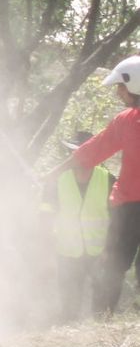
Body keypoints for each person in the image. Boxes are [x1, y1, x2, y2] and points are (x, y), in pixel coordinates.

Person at [46, 55, 140, 315]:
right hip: (128, 205)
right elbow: (95, 148)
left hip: (131, 202)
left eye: (121, 86)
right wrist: (56, 171)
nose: (118, 92)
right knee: (113, 265)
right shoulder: (125, 120)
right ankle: (103, 319)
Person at [40, 131, 114, 321]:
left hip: (99, 253)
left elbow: (117, 219)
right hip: (66, 251)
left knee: (102, 299)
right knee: (69, 302)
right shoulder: (56, 181)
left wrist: (109, 249)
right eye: (76, 152)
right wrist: (46, 252)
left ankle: (99, 330)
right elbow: (45, 217)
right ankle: (69, 332)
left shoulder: (108, 179)